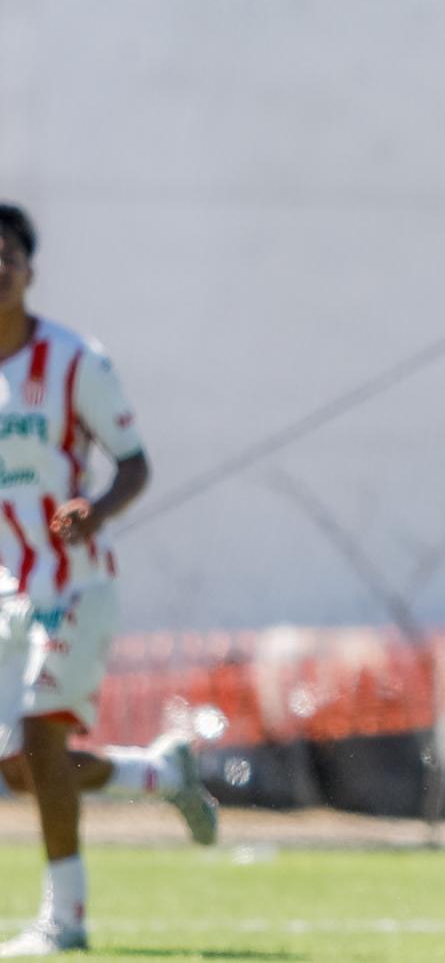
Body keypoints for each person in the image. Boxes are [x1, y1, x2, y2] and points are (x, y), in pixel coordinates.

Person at [0, 203, 218, 957]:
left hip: (76, 584)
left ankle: (66, 919)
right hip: (11, 594)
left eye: (7, 254)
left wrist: (93, 511)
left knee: (40, 732)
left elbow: (135, 465)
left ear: (30, 269)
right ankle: (160, 773)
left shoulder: (72, 360)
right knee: (24, 767)